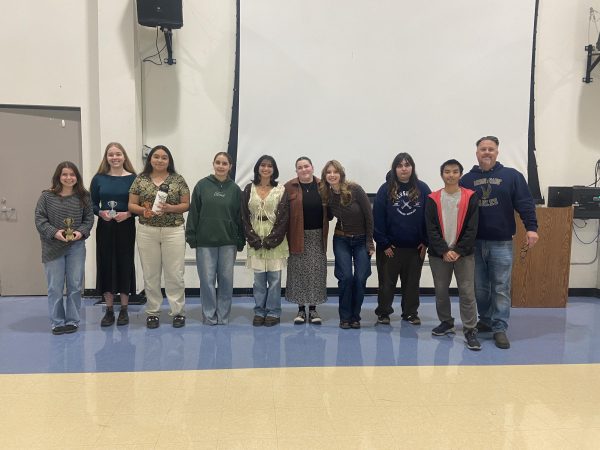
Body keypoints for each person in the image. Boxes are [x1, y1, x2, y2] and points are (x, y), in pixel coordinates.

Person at [460, 136, 538, 349]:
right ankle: (485, 319)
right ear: (476, 153)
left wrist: (531, 228)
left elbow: (525, 203)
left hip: (501, 243)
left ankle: (500, 327)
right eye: (483, 149)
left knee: (501, 287)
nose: (487, 152)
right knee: (480, 288)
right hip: (474, 244)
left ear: (497, 152)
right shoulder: (466, 180)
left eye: (490, 149)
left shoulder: (512, 176)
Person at [128, 145, 189, 329]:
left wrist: (171, 208)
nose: (160, 160)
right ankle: (153, 312)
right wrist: (143, 211)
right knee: (150, 273)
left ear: (169, 160)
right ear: (150, 159)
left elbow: (186, 204)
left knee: (175, 274)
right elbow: (131, 205)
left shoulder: (178, 179)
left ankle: (178, 312)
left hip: (173, 231)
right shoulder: (140, 179)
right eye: (156, 157)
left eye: (164, 157)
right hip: (147, 232)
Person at [425, 159, 481, 350]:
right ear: (442, 175)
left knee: (467, 292)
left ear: (460, 174)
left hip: (464, 254)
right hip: (438, 255)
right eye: (447, 172)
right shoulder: (432, 198)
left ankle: (470, 329)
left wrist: (457, 250)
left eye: (455, 171)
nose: (451, 175)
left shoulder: (470, 196)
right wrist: (444, 250)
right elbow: (431, 228)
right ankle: (446, 322)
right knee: (441, 291)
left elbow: (472, 228)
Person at [185, 152, 245, 325]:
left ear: (230, 167)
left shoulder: (235, 190)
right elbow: (193, 213)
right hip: (205, 243)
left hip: (228, 243)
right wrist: (192, 236)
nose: (221, 166)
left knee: (226, 281)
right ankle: (209, 316)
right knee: (207, 280)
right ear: (213, 164)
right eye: (218, 162)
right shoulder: (202, 186)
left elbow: (239, 217)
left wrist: (240, 240)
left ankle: (223, 316)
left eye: (224, 163)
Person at [35, 161, 94, 335]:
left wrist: (80, 233)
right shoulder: (46, 196)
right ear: (58, 177)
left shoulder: (84, 196)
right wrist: (54, 232)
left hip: (76, 246)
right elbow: (40, 219)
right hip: (52, 247)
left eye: (72, 174)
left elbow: (89, 219)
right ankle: (57, 322)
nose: (68, 178)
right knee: (55, 287)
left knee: (75, 285)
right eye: (64, 174)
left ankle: (73, 320)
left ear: (77, 177)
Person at [373, 153, 431, 325]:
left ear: (412, 167)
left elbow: (430, 217)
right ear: (395, 168)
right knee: (386, 284)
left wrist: (426, 241)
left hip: (415, 248)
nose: (404, 168)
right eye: (400, 165)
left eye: (407, 165)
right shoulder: (385, 189)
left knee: (412, 284)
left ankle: (410, 313)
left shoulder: (423, 189)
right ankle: (384, 312)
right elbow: (377, 218)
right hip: (390, 248)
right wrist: (384, 243)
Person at [320, 160, 374, 329]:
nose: (332, 175)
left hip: (361, 239)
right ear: (325, 176)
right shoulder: (327, 194)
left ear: (341, 174)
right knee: (346, 278)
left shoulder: (355, 189)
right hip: (341, 239)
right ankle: (345, 317)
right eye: (328, 172)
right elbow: (328, 216)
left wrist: (369, 242)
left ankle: (355, 316)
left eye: (335, 171)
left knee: (360, 278)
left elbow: (369, 216)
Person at [90, 142, 137, 327]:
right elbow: (92, 203)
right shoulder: (98, 178)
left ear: (124, 156)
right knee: (106, 263)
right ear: (106, 157)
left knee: (125, 263)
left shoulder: (133, 178)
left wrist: (128, 214)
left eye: (118, 154)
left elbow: (140, 204)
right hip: (106, 226)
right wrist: (100, 213)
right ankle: (109, 310)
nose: (115, 157)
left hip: (126, 226)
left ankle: (124, 309)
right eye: (111, 154)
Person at [241, 155, 290, 326]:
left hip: (275, 240)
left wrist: (272, 239)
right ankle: (259, 311)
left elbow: (284, 218)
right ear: (258, 168)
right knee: (259, 280)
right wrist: (252, 238)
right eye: (263, 165)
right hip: (255, 239)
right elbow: (244, 216)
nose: (266, 168)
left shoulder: (281, 190)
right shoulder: (249, 189)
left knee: (275, 280)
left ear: (274, 170)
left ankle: (274, 313)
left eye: (270, 166)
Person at [284, 157, 329, 324]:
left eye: (306, 166)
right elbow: (284, 213)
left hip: (317, 236)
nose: (304, 169)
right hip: (297, 235)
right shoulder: (289, 187)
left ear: (312, 167)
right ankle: (301, 310)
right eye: (300, 167)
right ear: (296, 171)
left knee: (316, 272)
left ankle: (314, 310)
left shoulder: (323, 186)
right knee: (298, 273)